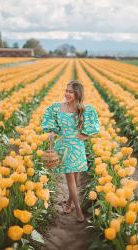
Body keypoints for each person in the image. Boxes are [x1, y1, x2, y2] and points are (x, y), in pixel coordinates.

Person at [41, 80, 100, 222]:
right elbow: (50, 120)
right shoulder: (57, 108)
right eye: (66, 90)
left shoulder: (84, 109)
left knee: (77, 179)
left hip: (78, 146)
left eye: (70, 91)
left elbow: (93, 124)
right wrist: (52, 132)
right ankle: (79, 211)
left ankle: (68, 204)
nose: (67, 94)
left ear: (77, 94)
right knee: (70, 179)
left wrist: (85, 135)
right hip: (63, 146)